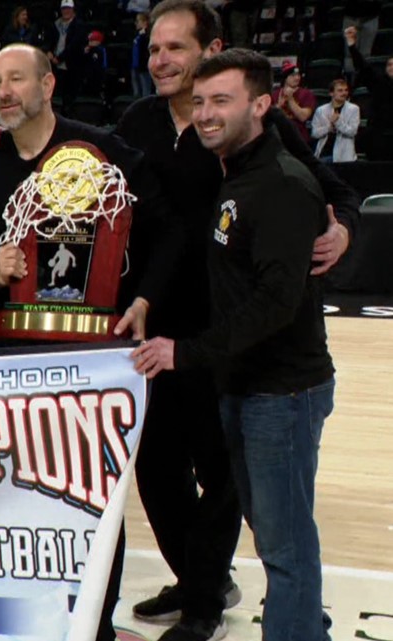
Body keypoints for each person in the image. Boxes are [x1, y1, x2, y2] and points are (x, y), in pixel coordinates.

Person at [114, 2, 358, 639]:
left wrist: (344, 229)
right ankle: (209, 581)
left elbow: (328, 190)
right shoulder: (144, 124)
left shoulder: (267, 154)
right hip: (173, 336)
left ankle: (215, 605)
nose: (161, 59)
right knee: (170, 478)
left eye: (176, 48)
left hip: (246, 350)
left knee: (247, 501)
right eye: (154, 47)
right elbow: (79, 153)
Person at [0, 44, 176, 641]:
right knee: (9, 494)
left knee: (93, 494)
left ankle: (95, 625)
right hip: (5, 357)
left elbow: (168, 229)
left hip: (89, 360)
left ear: (47, 85)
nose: (3, 92)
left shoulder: (104, 149)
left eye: (16, 79)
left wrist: (144, 299)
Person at [346, 25, 393, 159]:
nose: (391, 67)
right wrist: (351, 45)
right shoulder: (379, 83)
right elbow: (363, 67)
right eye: (389, 64)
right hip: (379, 137)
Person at [46, 0, 90, 112]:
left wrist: (60, 58)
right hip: (56, 66)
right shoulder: (55, 24)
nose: (66, 11)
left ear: (73, 9)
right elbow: (49, 41)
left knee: (70, 96)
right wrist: (49, 51)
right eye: (64, 8)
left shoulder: (79, 25)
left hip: (72, 65)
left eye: (68, 8)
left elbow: (74, 45)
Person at [312, 79, 360, 163]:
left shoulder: (353, 109)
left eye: (346, 90)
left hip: (345, 156)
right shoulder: (321, 110)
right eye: (340, 90)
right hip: (324, 154)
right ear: (331, 93)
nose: (344, 93)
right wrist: (329, 128)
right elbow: (314, 133)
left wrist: (337, 122)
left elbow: (352, 131)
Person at [271, 61, 315, 144]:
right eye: (293, 75)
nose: (297, 78)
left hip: (299, 139)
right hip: (279, 139)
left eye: (298, 75)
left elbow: (303, 117)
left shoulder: (307, 94)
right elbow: (269, 118)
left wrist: (290, 99)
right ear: (285, 78)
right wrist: (279, 106)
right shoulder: (275, 94)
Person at [132, 12, 153, 96]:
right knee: (136, 92)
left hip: (144, 67)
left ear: (145, 22)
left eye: (138, 21)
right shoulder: (137, 35)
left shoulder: (147, 36)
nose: (136, 23)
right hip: (135, 66)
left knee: (145, 91)